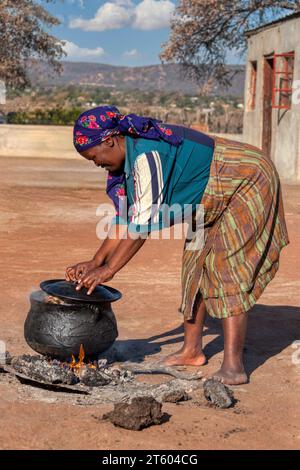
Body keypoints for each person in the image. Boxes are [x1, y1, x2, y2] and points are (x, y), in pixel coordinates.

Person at [65, 105, 289, 385]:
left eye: (94, 156)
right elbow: (127, 217)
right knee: (195, 268)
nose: (95, 163)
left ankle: (234, 366)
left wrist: (109, 270)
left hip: (247, 179)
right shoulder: (128, 162)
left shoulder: (146, 156)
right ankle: (192, 351)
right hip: (207, 198)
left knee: (226, 270)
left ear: (109, 140)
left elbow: (142, 226)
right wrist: (95, 261)